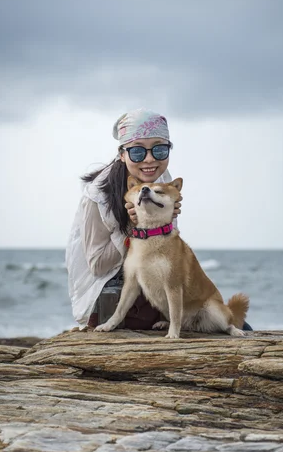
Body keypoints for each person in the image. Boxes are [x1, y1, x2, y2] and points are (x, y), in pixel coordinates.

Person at [66, 108, 252, 332]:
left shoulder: (161, 179)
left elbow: (166, 247)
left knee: (239, 326)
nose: (150, 159)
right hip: (113, 293)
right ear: (122, 154)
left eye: (160, 149)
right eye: (137, 152)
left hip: (155, 287)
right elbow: (97, 266)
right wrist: (131, 227)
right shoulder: (98, 197)